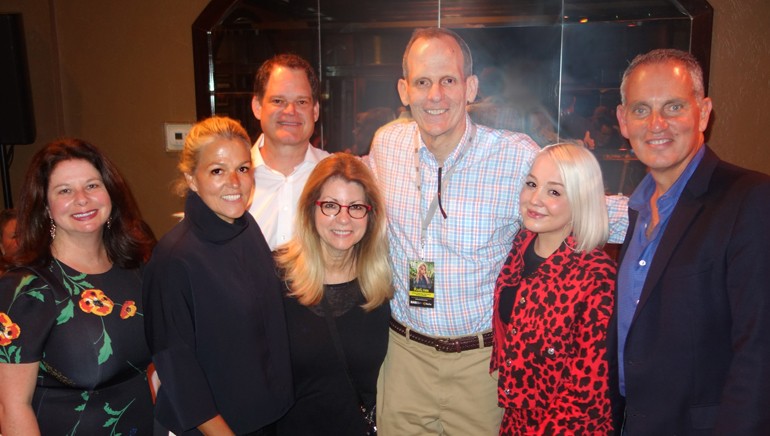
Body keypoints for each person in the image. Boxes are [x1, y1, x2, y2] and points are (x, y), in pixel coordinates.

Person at [368, 27, 628, 435]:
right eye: (422, 82)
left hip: (480, 366)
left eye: (448, 80)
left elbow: (574, 198)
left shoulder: (514, 155)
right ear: (404, 90)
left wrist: (662, 214)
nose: (435, 95)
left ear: (470, 87)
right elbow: (343, 187)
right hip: (405, 356)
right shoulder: (386, 146)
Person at [611, 48, 770, 434]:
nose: (657, 124)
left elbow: (759, 351)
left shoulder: (750, 199)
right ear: (623, 121)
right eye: (641, 109)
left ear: (704, 111)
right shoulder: (636, 209)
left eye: (674, 107)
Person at [143, 116, 292, 435]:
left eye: (242, 168)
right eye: (217, 171)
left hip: (263, 419)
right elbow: (178, 372)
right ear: (191, 179)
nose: (235, 183)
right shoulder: (174, 258)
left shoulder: (246, 227)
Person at [0, 138, 157, 434]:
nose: (82, 199)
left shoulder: (136, 270)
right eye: (65, 191)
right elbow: (12, 407)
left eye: (92, 185)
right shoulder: (24, 289)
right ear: (45, 205)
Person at [492, 143, 615, 434]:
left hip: (566, 427)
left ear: (581, 201)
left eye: (555, 192)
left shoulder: (597, 276)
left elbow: (587, 392)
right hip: (515, 421)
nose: (535, 199)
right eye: (531, 184)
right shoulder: (518, 248)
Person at [274, 153, 391, 435]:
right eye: (330, 205)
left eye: (356, 207)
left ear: (370, 213)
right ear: (310, 209)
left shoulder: (383, 283)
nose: (343, 218)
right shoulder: (274, 277)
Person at [249, 53, 330, 249]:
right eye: (278, 101)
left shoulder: (334, 174)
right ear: (257, 107)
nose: (290, 111)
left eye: (302, 102)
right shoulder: (231, 180)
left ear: (316, 110)